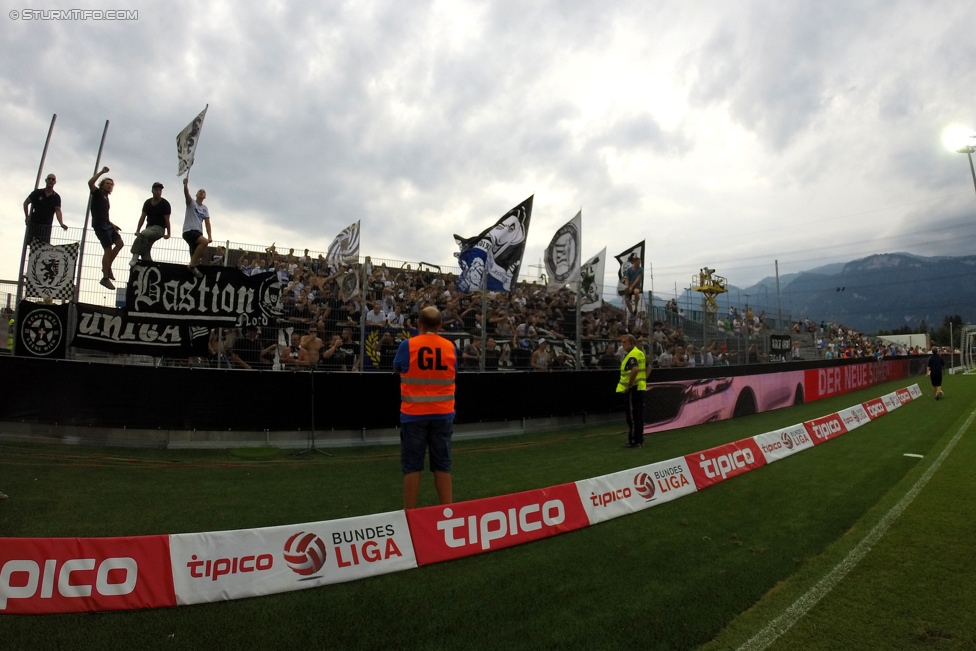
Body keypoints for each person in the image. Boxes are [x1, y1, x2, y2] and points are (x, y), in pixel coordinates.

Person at [393, 306, 457, 509]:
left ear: (419, 324)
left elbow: (398, 368)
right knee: (442, 464)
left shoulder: (407, 345)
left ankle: (410, 513)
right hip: (443, 413)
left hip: (414, 414)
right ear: (440, 325)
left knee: (412, 465)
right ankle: (448, 511)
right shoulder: (449, 347)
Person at [88, 167, 124, 289]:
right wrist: (102, 172)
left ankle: (108, 266)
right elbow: (90, 183)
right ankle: (105, 277)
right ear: (102, 185)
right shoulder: (97, 193)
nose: (109, 186)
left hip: (107, 224)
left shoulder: (106, 198)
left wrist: (112, 224)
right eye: (107, 183)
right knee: (107, 249)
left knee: (120, 243)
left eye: (111, 184)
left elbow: (103, 214)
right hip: (100, 226)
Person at [129, 182, 171, 267]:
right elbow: (142, 217)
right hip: (149, 227)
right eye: (156, 190)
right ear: (152, 191)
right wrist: (137, 230)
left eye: (160, 190)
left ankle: (135, 256)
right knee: (145, 250)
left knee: (144, 234)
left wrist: (168, 233)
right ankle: (149, 266)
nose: (158, 192)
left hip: (159, 229)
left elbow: (167, 219)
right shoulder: (147, 203)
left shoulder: (165, 204)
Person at [617, 334, 647, 449]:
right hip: (639, 388)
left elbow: (635, 369)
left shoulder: (632, 355)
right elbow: (648, 367)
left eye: (625, 342)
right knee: (638, 416)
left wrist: (629, 384)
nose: (623, 345)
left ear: (631, 343)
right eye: (622, 342)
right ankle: (640, 439)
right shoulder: (639, 353)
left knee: (632, 417)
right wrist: (643, 379)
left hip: (633, 390)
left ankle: (634, 441)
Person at [23, 173, 67, 245]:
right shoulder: (37, 193)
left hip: (46, 227)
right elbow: (26, 203)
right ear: (46, 180)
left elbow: (58, 211)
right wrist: (27, 216)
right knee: (32, 246)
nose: (50, 180)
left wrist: (61, 223)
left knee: (43, 248)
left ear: (55, 182)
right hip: (34, 224)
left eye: (53, 179)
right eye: (49, 179)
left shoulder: (56, 197)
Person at [182, 177, 211, 278]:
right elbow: (186, 194)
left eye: (204, 192)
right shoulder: (191, 203)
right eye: (200, 191)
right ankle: (192, 266)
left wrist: (210, 235)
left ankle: (192, 268)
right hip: (189, 230)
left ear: (205, 196)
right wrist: (185, 186)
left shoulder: (205, 208)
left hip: (198, 232)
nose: (202, 192)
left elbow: (207, 223)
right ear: (196, 194)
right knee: (204, 242)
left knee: (196, 255)